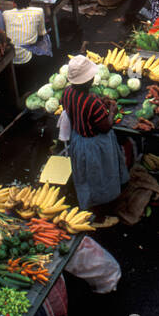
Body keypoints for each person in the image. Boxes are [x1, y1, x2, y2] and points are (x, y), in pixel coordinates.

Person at [61, 55, 129, 214]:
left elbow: (74, 109)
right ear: (88, 81)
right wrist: (111, 112)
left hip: (78, 139)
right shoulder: (93, 102)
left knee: (86, 175)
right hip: (94, 144)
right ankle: (104, 205)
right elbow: (105, 127)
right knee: (101, 173)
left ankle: (90, 200)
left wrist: (100, 100)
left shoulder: (67, 92)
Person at [3, 0, 50, 65]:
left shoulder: (5, 14)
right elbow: (41, 33)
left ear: (14, 1)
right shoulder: (38, 12)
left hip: (11, 58)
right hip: (27, 58)